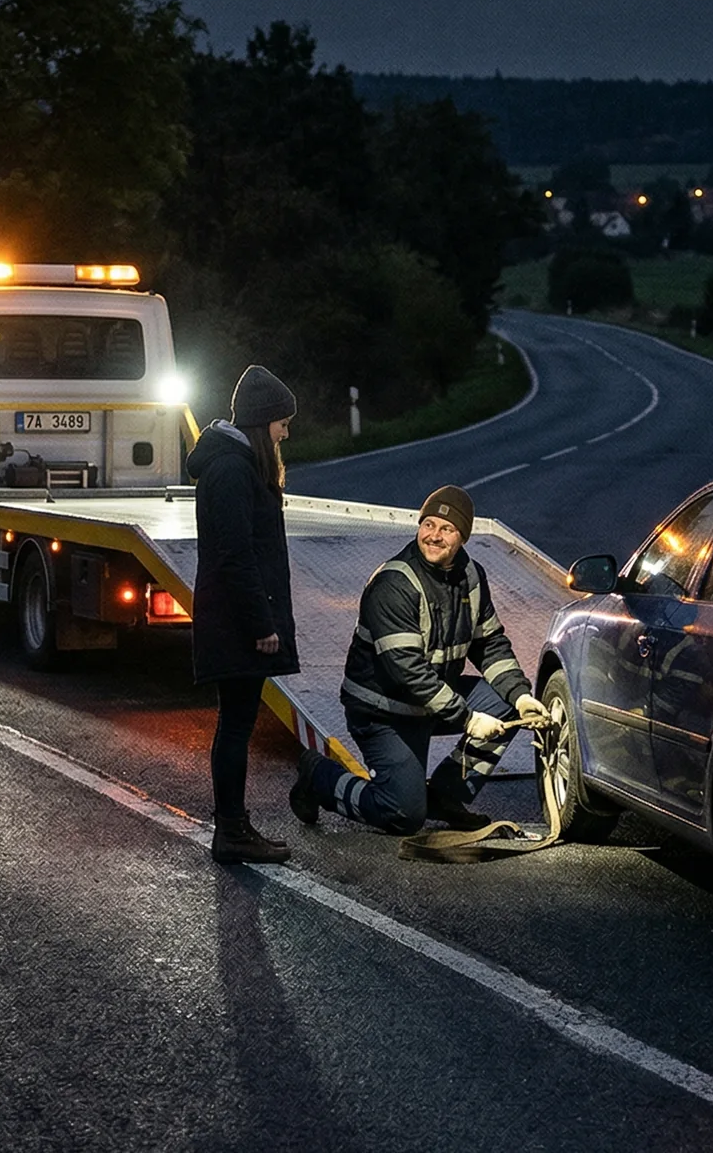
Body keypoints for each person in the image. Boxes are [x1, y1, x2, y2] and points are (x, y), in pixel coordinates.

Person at [289, 484, 546, 836]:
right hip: (384, 711)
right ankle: (318, 777)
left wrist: (521, 695)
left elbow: (489, 644)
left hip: (430, 703)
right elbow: (406, 672)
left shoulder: (471, 576)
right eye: (428, 525)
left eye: (447, 528)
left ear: (463, 537)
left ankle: (446, 795)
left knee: (505, 701)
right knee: (403, 815)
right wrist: (468, 719)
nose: (434, 536)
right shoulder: (395, 583)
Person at [187, 364, 302, 864]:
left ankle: (233, 828)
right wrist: (261, 625)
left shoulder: (236, 465)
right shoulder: (232, 470)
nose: (285, 433)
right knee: (235, 726)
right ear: (261, 421)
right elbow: (236, 555)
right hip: (236, 623)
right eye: (282, 423)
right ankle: (231, 831)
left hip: (234, 619)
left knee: (236, 723)